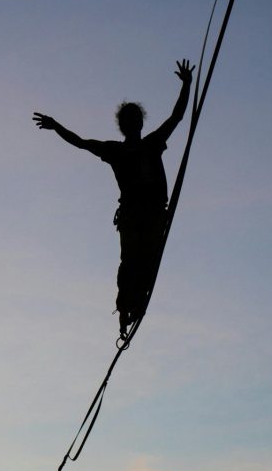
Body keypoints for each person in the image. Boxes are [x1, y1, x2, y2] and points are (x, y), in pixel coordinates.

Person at [33, 59, 194, 339]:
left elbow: (177, 117)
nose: (133, 125)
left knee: (144, 260)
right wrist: (56, 126)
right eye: (129, 122)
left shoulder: (151, 143)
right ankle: (124, 309)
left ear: (140, 123)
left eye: (135, 121)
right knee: (131, 261)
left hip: (154, 212)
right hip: (134, 213)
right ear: (125, 126)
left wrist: (187, 86)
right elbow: (81, 142)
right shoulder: (117, 151)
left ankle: (133, 304)